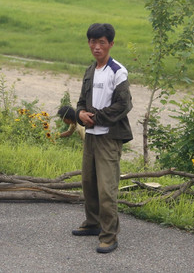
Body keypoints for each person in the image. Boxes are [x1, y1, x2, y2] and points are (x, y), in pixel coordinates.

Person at [72, 23, 133, 254]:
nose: (96, 47)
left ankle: (109, 236)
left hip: (109, 138)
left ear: (110, 44)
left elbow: (124, 104)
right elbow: (80, 102)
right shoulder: (90, 71)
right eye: (92, 42)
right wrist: (80, 114)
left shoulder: (118, 71)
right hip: (91, 137)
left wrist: (95, 118)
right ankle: (93, 223)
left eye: (102, 42)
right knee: (89, 184)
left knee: (107, 189)